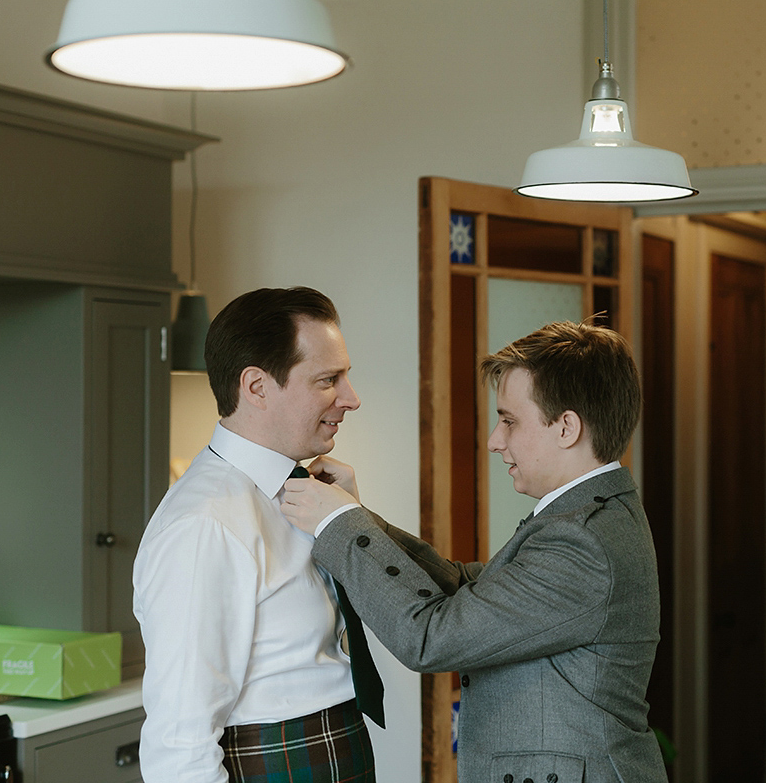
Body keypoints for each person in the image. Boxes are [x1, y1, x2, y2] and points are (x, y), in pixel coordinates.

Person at [282, 320, 668, 783]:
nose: (493, 441)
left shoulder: (582, 541)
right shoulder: (592, 518)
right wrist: (358, 516)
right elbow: (470, 589)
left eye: (508, 420)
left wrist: (336, 525)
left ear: (566, 427)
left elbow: (432, 636)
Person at [133, 287, 380, 783]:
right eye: (328, 380)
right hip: (275, 763)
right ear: (257, 386)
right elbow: (179, 742)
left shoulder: (306, 493)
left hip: (331, 750)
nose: (351, 399)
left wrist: (352, 521)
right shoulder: (204, 523)